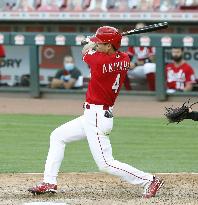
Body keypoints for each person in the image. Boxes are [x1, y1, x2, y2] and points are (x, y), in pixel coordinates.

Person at [28, 26, 164, 198]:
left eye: (102, 44)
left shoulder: (99, 61)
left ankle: (149, 180)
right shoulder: (124, 57)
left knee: (106, 164)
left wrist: (89, 41)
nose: (98, 45)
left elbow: (85, 50)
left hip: (98, 117)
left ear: (109, 46)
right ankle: (50, 181)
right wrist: (98, 41)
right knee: (58, 136)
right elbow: (102, 48)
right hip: (92, 116)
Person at [126, 23, 156, 91]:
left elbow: (152, 59)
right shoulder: (134, 42)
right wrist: (128, 64)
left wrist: (136, 64)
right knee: (122, 67)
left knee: (148, 66)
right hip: (139, 68)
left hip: (153, 68)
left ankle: (153, 91)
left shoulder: (150, 41)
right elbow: (128, 57)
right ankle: (129, 91)